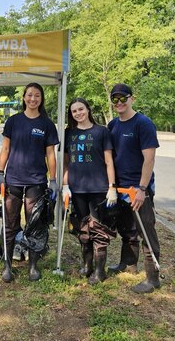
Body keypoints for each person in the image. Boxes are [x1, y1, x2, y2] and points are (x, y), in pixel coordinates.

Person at [0, 83, 59, 282]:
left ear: (41, 99)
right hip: (13, 180)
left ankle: (33, 265)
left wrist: (54, 180)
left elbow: (51, 154)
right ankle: (7, 265)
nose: (33, 99)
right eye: (30, 95)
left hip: (36, 181)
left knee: (35, 224)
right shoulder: (13, 121)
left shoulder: (46, 124)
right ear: (24, 97)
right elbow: (5, 149)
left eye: (37, 95)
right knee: (10, 222)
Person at [107, 83, 161, 293]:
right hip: (120, 189)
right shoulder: (113, 125)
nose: (119, 103)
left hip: (139, 189)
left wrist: (142, 188)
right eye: (115, 99)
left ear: (132, 99)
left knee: (146, 231)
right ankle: (128, 265)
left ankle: (152, 277)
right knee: (126, 230)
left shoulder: (143, 124)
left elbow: (149, 159)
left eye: (123, 98)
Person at [62, 98, 117, 285]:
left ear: (88, 110)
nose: (78, 113)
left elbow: (109, 161)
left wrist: (112, 187)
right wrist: (64, 186)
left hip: (98, 189)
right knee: (82, 229)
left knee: (98, 230)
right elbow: (66, 163)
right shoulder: (68, 133)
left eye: (81, 109)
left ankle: (100, 271)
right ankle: (87, 266)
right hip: (77, 190)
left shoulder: (102, 131)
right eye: (74, 111)